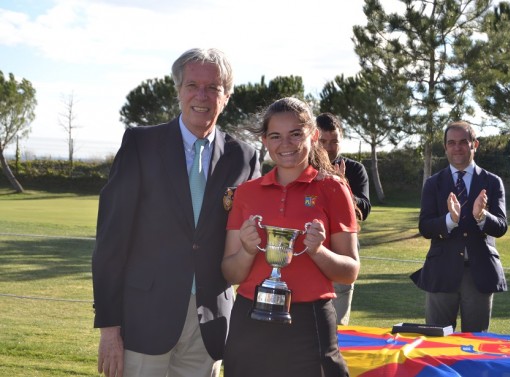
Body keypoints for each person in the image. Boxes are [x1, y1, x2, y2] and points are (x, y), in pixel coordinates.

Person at [91, 48, 261, 377]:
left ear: (226, 96)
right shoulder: (141, 144)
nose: (202, 95)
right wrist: (109, 328)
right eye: (192, 85)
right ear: (178, 90)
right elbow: (111, 241)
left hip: (211, 324)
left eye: (213, 87)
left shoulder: (245, 158)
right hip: (144, 320)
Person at [221, 97, 360, 377]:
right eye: (275, 136)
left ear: (313, 135)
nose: (286, 144)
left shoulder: (333, 188)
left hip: (309, 322)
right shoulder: (246, 192)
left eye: (295, 134)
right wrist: (248, 250)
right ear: (265, 141)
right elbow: (230, 272)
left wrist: (318, 251)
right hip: (251, 321)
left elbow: (350, 272)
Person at [410, 120, 508, 333]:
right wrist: (450, 220)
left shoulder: (492, 182)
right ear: (445, 147)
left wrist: (482, 216)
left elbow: (501, 226)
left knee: (474, 346)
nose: (457, 148)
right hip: (441, 273)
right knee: (436, 343)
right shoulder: (433, 183)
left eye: (463, 142)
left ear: (475, 144)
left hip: (479, 273)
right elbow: (425, 227)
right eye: (451, 143)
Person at [316, 112, 371, 326]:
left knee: (336, 330)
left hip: (342, 257)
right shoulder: (303, 168)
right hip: (307, 258)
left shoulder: (355, 170)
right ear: (314, 139)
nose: (329, 148)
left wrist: (342, 188)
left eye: (334, 142)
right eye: (323, 142)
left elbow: (364, 209)